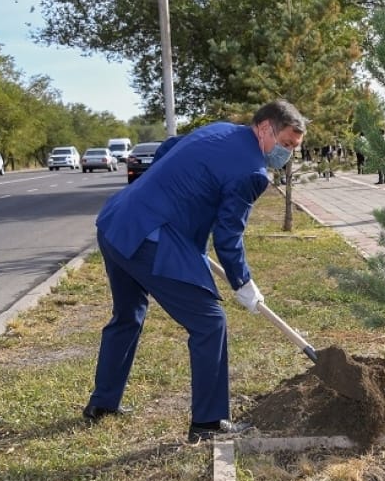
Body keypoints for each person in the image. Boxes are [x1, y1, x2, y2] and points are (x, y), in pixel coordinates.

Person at [83, 99, 308, 443]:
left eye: (293, 148)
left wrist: (168, 206)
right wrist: (243, 282)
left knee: (128, 315)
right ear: (265, 128)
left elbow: (169, 149)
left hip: (117, 221)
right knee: (209, 322)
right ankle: (209, 422)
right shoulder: (252, 171)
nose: (288, 154)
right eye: (287, 144)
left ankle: (102, 404)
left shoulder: (220, 129)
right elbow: (228, 235)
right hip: (149, 237)